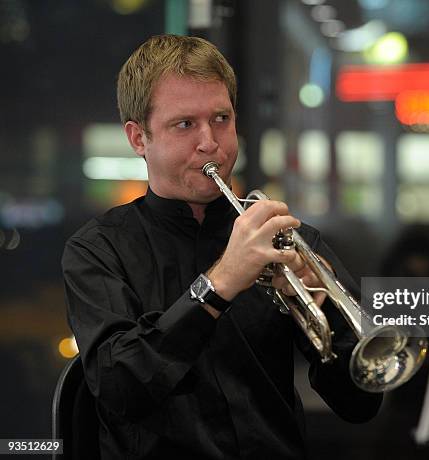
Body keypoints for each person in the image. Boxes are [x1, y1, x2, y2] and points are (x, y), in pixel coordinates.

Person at [61, 34, 382, 459]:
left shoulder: (286, 237)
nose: (210, 142)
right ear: (139, 139)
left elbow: (360, 405)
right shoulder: (98, 250)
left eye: (221, 118)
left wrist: (323, 309)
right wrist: (219, 283)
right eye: (185, 124)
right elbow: (120, 390)